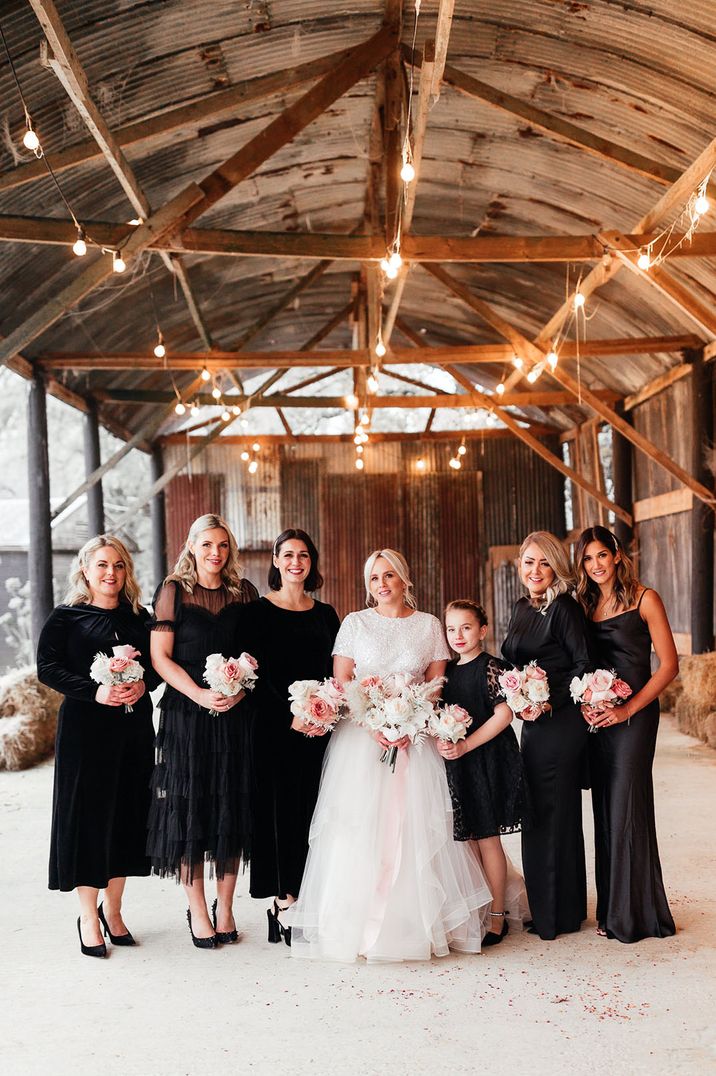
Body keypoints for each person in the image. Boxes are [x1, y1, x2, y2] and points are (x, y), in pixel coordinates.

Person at [289, 549, 492, 963]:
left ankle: (415, 923)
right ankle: (353, 923)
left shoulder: (429, 625)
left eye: (389, 576)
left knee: (416, 828)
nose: (381, 584)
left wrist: (408, 721)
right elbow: (343, 681)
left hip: (412, 742)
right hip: (363, 741)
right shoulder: (355, 623)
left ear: (404, 579)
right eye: (374, 578)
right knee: (359, 828)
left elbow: (436, 683)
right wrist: (376, 723)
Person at [38, 535, 160, 958]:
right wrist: (94, 692)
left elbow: (158, 665)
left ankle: (115, 909)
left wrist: (146, 683)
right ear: (85, 570)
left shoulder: (139, 618)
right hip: (85, 732)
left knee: (126, 815)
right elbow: (47, 668)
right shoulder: (65, 617)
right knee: (89, 819)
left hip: (132, 729)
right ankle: (88, 916)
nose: (111, 573)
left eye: (119, 566)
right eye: (103, 565)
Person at [147, 513, 258, 949]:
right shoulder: (173, 591)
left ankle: (226, 906)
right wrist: (197, 694)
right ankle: (196, 908)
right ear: (192, 546)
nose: (215, 553)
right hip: (187, 714)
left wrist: (240, 691)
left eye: (223, 545)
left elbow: (253, 654)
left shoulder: (242, 592)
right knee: (190, 805)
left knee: (231, 802)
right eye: (207, 544)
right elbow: (161, 657)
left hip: (235, 713)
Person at [575, 525, 677, 943]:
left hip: (635, 718)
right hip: (599, 719)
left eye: (602, 555)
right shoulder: (584, 605)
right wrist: (588, 703)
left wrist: (628, 710)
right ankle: (614, 907)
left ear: (617, 555)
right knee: (605, 808)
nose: (596, 565)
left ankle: (635, 916)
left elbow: (669, 666)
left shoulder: (645, 598)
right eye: (587, 558)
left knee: (627, 805)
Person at [248, 529, 340, 945]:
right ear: (275, 560)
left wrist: (325, 709)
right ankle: (284, 902)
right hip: (276, 729)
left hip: (321, 729)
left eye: (303, 555)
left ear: (312, 562)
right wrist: (290, 715)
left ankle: (314, 897)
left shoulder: (326, 615)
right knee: (282, 813)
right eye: (288, 555)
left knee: (315, 813)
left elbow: (337, 674)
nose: (296, 562)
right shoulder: (257, 614)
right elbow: (254, 677)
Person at [502, 531, 592, 941]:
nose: (535, 571)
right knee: (536, 813)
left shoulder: (565, 608)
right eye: (528, 562)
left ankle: (558, 914)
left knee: (554, 815)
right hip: (533, 724)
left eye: (543, 563)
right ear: (520, 566)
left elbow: (583, 664)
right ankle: (548, 907)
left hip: (560, 721)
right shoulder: (522, 608)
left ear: (556, 566)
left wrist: (548, 699)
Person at [436, 599, 529, 946]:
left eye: (466, 627)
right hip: (459, 762)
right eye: (451, 628)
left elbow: (504, 715)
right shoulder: (449, 671)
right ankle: (483, 903)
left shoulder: (493, 667)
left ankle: (497, 916)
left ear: (483, 630)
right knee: (470, 837)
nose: (458, 635)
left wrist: (464, 746)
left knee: (488, 837)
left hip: (488, 759)